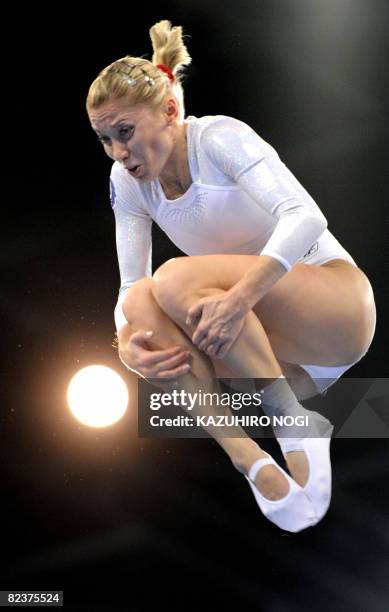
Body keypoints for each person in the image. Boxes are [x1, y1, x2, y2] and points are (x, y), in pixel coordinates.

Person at [86, 20, 376, 532]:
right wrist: (127, 344)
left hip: (337, 308)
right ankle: (247, 457)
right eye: (105, 139)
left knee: (174, 279)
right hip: (278, 359)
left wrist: (240, 297)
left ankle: (293, 424)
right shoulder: (126, 183)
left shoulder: (219, 137)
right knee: (141, 311)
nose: (118, 153)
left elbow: (305, 217)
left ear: (170, 111)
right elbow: (130, 289)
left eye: (125, 133)